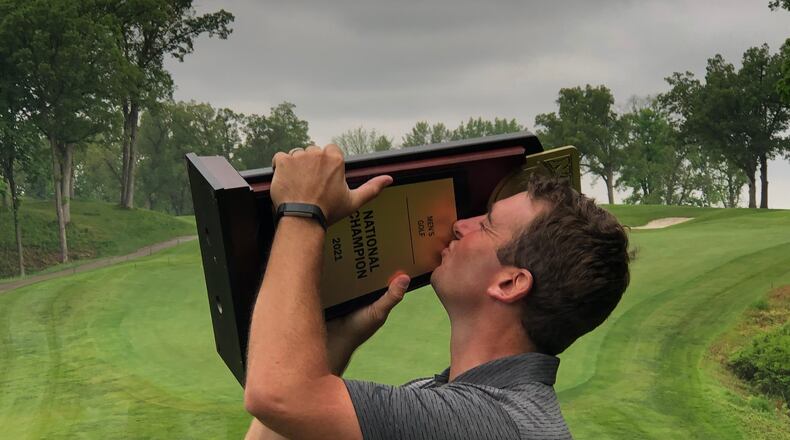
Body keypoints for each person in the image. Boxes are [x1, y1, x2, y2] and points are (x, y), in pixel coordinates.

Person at [243, 144, 631, 440]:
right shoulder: (449, 400)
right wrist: (338, 344)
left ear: (510, 283)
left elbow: (277, 393)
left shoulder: (490, 423)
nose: (462, 224)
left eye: (488, 224)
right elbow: (284, 411)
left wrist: (302, 209)